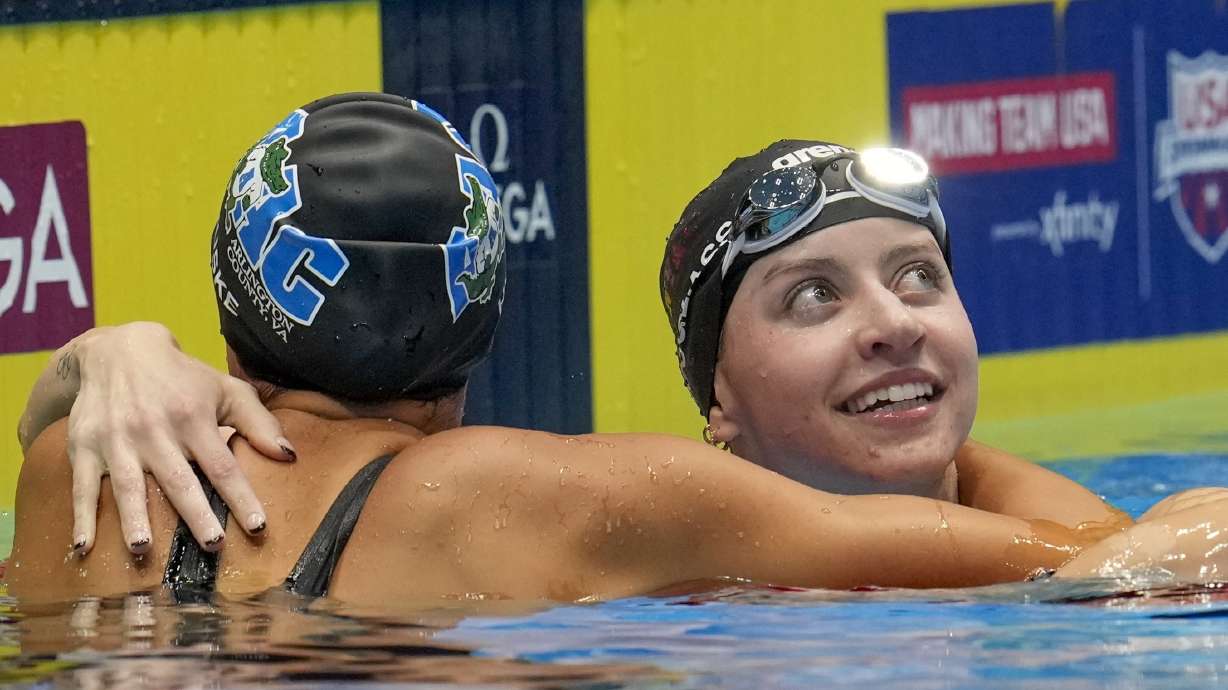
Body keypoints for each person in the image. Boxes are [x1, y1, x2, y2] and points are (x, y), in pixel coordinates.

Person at [13, 110, 1228, 602]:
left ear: (230, 321)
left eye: (920, 280)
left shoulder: (70, 464)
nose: (890, 322)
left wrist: (106, 351)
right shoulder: (559, 495)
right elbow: (1115, 565)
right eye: (811, 295)